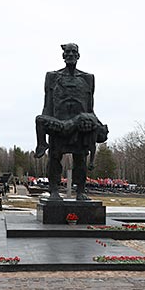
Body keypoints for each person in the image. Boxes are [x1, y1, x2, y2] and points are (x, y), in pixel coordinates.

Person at [34, 42, 108, 199]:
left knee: (80, 159)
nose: (70, 55)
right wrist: (46, 124)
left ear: (78, 56)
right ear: (63, 56)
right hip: (59, 124)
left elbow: (90, 107)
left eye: (73, 52)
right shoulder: (53, 77)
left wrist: (97, 124)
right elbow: (48, 104)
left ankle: (80, 191)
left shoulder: (88, 78)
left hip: (81, 127)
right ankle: (54, 190)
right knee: (55, 157)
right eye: (67, 52)